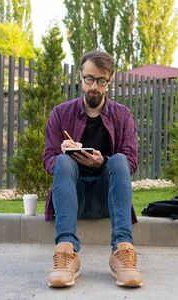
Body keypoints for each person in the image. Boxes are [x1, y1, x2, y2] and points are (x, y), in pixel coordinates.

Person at [43, 50, 142, 288]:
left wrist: (103, 162)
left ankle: (123, 250)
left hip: (105, 198)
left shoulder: (122, 115)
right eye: (89, 79)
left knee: (118, 159)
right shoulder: (60, 113)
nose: (94, 86)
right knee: (63, 161)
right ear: (80, 77)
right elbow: (48, 160)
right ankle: (66, 252)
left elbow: (131, 162)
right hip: (71, 196)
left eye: (101, 81)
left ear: (110, 81)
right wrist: (64, 153)